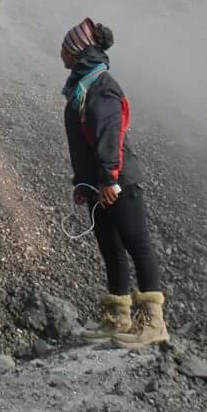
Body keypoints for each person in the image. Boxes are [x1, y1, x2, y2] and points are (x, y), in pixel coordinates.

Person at [61, 17, 168, 347]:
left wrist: (108, 178)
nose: (61, 53)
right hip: (99, 183)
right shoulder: (82, 86)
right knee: (111, 247)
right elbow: (83, 142)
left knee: (136, 242)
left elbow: (110, 133)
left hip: (119, 181)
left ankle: (154, 323)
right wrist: (84, 183)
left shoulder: (101, 85)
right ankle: (119, 318)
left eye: (65, 47)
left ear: (79, 50)